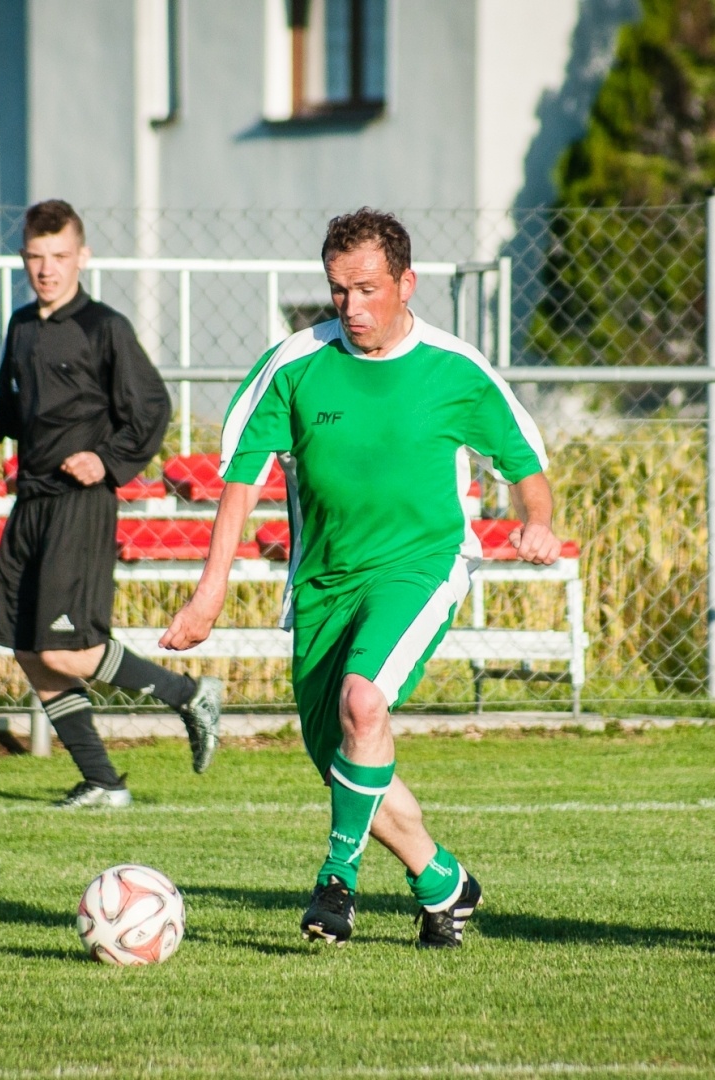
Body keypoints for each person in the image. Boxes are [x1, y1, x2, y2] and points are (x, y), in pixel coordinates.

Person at [159, 208, 561, 947]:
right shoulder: (293, 365)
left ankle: (336, 882)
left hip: (421, 566)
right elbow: (241, 484)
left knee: (363, 701)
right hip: (323, 585)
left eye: (368, 289)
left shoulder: (456, 370)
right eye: (338, 290)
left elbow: (525, 464)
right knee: (349, 755)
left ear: (407, 284)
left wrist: (535, 518)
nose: (351, 307)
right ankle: (445, 884)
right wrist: (209, 591)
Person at [0, 199, 222, 808]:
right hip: (31, 501)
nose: (48, 269)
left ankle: (189, 694)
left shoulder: (105, 327)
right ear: (23, 260)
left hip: (81, 503)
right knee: (25, 644)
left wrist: (107, 460)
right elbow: (11, 407)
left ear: (82, 257)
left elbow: (151, 408)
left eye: (60, 256)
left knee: (71, 650)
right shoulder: (21, 326)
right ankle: (102, 781)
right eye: (36, 258)